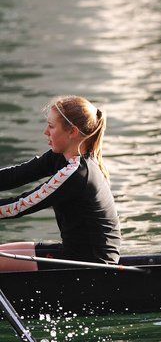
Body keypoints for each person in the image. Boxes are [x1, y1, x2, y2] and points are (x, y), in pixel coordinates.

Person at [0, 96, 121, 271]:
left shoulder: (76, 173)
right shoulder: (60, 157)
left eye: (51, 126)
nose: (45, 132)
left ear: (72, 131)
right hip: (72, 252)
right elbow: (16, 175)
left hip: (91, 265)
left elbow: (20, 206)